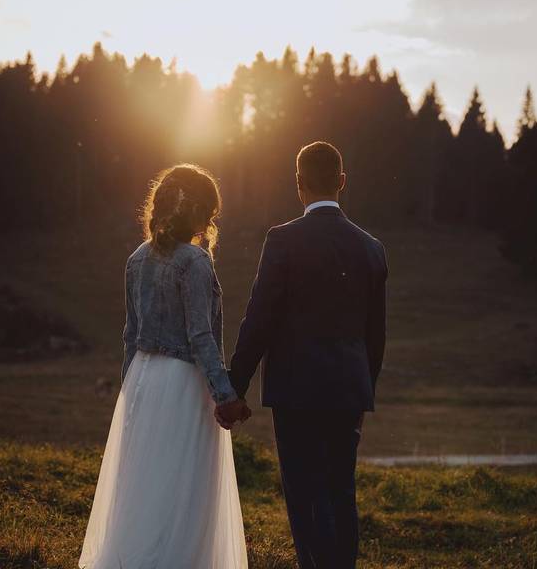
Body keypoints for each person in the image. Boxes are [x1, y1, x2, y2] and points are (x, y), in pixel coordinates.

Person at [217, 141, 388, 569]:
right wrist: (364, 385)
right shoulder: (372, 248)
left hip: (297, 388)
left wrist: (233, 387)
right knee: (340, 490)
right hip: (350, 388)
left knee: (305, 493)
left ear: (298, 184)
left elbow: (259, 320)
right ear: (342, 182)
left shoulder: (283, 240)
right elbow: (376, 334)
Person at [79, 164, 251, 569]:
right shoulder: (194, 262)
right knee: (182, 484)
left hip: (144, 377)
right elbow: (200, 336)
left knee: (144, 481)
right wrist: (224, 394)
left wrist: (128, 394)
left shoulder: (137, 258)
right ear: (200, 210)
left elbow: (130, 334)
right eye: (211, 211)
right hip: (181, 382)